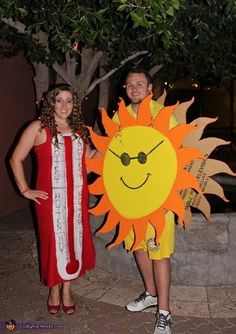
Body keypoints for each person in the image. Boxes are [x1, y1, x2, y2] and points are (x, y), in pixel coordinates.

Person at [10, 84, 96, 315]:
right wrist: (25, 190)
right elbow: (15, 159)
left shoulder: (80, 130)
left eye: (69, 100)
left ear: (74, 104)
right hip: (49, 200)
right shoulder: (38, 127)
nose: (64, 105)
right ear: (50, 102)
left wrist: (108, 148)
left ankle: (67, 289)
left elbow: (86, 165)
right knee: (53, 242)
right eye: (59, 100)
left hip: (77, 197)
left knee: (73, 241)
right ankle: (53, 290)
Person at [113, 67, 177, 334]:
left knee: (159, 252)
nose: (134, 89)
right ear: (125, 89)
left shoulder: (162, 114)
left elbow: (177, 149)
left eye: (140, 84)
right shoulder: (120, 115)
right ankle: (150, 294)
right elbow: (112, 154)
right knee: (138, 246)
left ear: (150, 89)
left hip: (159, 199)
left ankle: (164, 312)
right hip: (130, 199)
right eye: (130, 85)